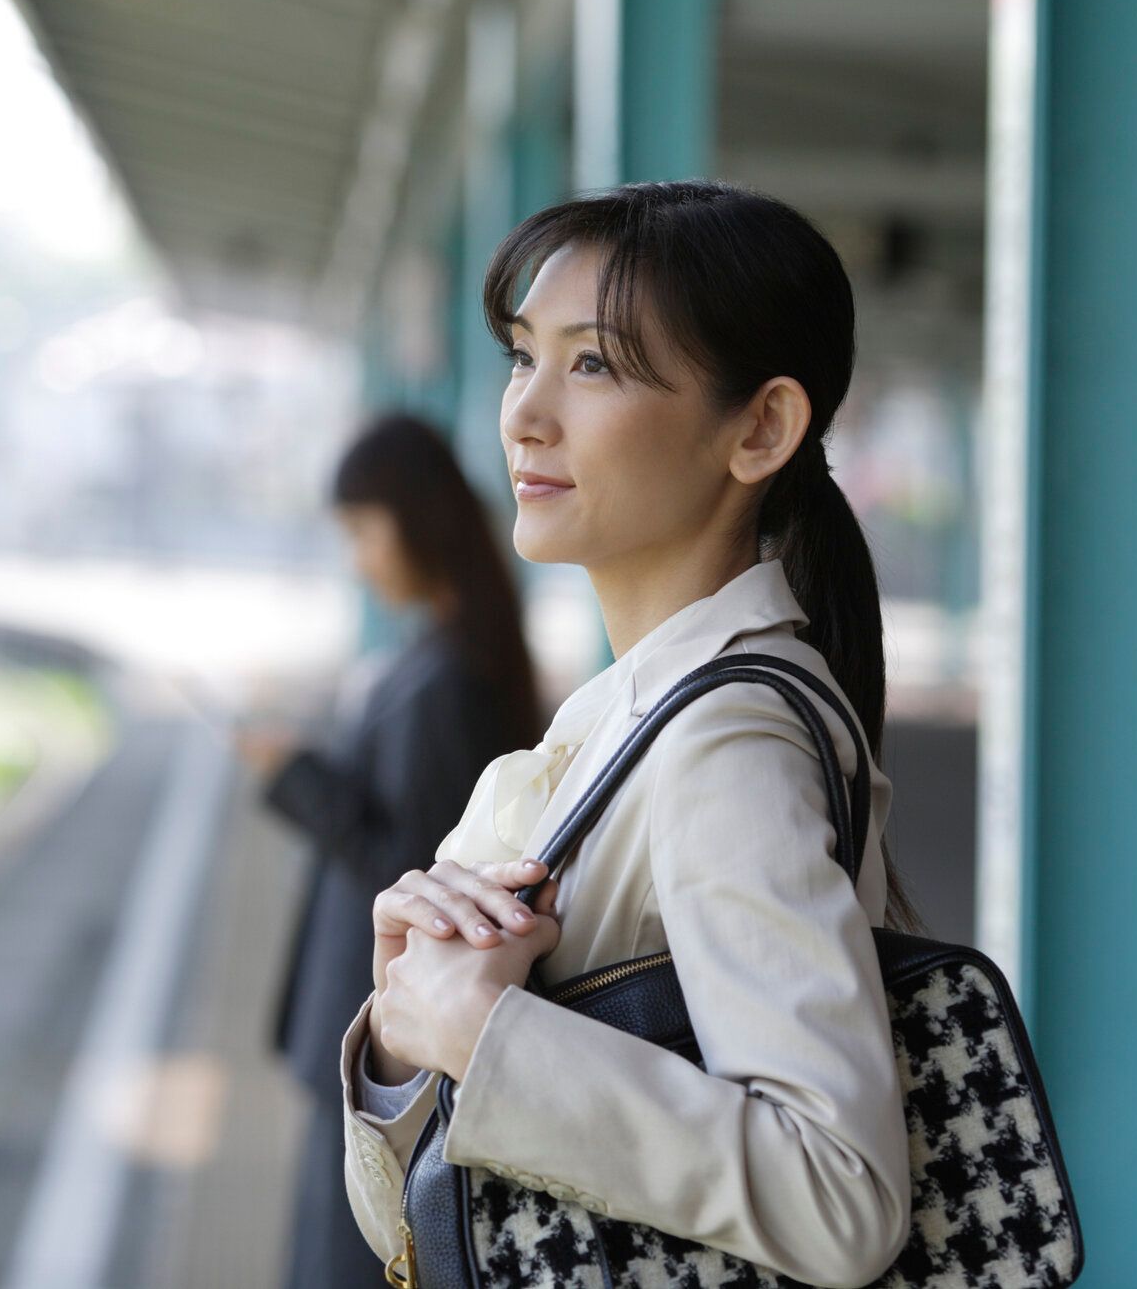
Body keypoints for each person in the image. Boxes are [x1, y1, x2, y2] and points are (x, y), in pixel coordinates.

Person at [341, 181, 924, 1288]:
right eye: (525, 355)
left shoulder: (726, 742)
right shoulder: (630, 709)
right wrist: (404, 1011)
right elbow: (425, 1221)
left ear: (759, 429)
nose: (523, 412)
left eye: (594, 363)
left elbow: (842, 1194)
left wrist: (483, 1037)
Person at [234, 412, 542, 1289]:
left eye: (364, 530)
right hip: (373, 1028)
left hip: (383, 1038)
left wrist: (295, 774)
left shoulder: (448, 679)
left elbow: (411, 868)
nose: (359, 556)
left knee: (342, 1256)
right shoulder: (446, 654)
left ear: (418, 522)